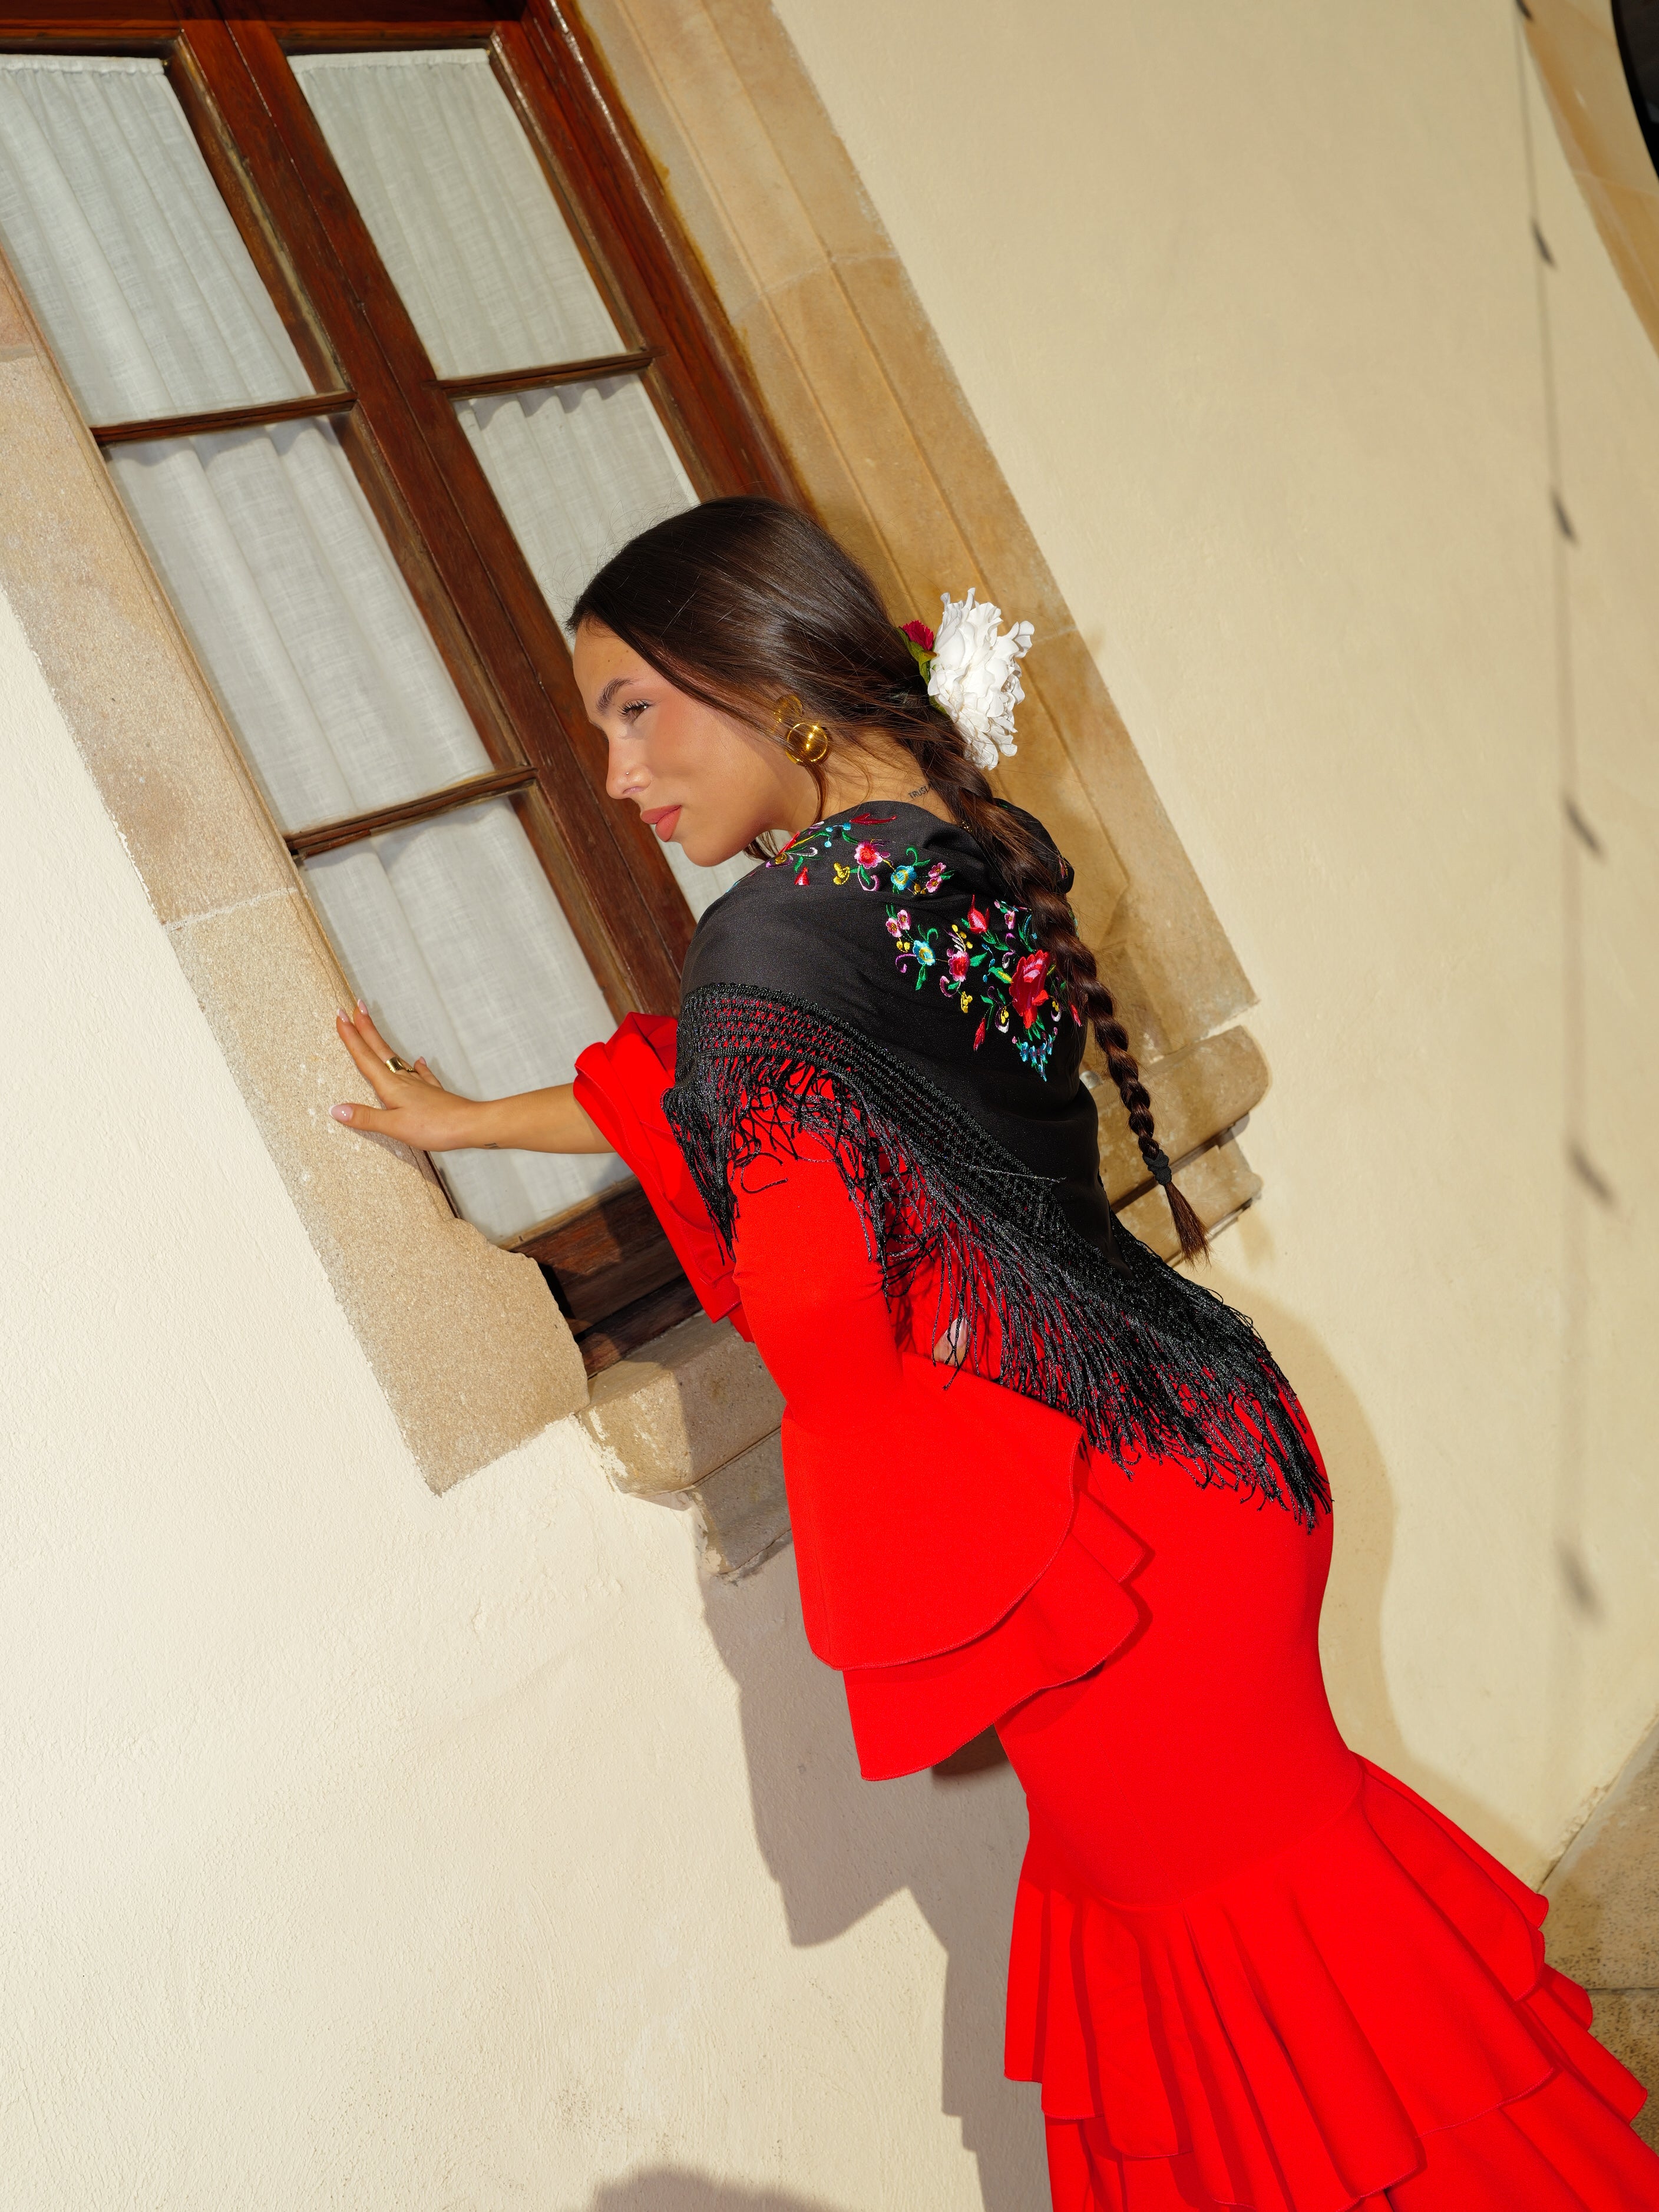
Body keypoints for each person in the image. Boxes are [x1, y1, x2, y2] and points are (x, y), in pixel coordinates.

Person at [331, 497, 1659, 2211]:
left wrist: (821, 1312)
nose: (610, 771)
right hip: (1208, 1450)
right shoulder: (947, 844)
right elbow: (753, 1084)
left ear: (754, 671)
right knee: (1309, 1989)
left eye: (629, 707)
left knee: (1274, 2035)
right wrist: (486, 1117)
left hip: (1103, 1553)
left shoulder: (766, 948)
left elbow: (807, 1298)